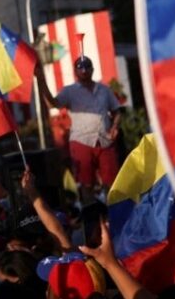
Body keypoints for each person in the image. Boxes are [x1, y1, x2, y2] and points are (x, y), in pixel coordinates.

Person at [36, 57, 122, 199]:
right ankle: (91, 218)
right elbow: (53, 104)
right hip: (81, 140)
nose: (84, 71)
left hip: (105, 139)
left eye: (87, 67)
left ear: (92, 69)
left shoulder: (104, 89)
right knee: (86, 183)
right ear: (75, 71)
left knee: (113, 183)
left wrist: (115, 126)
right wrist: (41, 81)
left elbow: (117, 111)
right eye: (80, 68)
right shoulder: (69, 91)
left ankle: (113, 217)